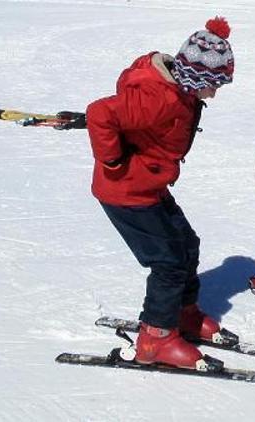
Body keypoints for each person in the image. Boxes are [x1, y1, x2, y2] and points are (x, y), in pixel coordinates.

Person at [86, 16, 235, 369]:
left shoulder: (179, 92)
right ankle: (155, 338)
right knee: (168, 262)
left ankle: (182, 313)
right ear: (195, 78)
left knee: (187, 243)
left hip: (148, 184)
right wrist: (113, 159)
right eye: (212, 85)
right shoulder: (158, 100)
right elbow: (99, 113)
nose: (214, 93)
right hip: (125, 191)